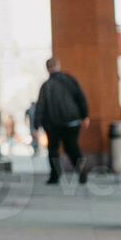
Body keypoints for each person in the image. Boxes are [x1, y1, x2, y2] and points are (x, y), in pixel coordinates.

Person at [33, 57, 90, 185]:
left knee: (53, 150)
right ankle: (81, 170)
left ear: (47, 69)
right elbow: (80, 97)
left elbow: (40, 106)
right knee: (72, 148)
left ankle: (55, 176)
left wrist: (36, 125)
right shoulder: (70, 80)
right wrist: (85, 116)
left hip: (53, 123)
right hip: (72, 121)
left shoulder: (46, 86)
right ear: (58, 65)